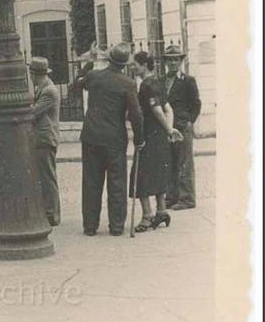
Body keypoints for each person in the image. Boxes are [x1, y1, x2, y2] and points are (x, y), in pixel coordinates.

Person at [73, 43, 144, 236]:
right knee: (117, 183)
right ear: (125, 64)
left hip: (91, 137)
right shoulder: (127, 83)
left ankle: (90, 226)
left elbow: (76, 83)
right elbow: (136, 114)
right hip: (114, 139)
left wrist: (89, 62)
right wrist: (139, 139)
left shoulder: (95, 77)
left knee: (91, 183)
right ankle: (116, 226)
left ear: (109, 59)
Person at [130, 51, 184, 232]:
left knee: (142, 174)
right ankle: (161, 211)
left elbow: (157, 110)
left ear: (144, 64)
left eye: (135, 64)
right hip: (159, 135)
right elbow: (169, 109)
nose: (132, 67)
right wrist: (169, 130)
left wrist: (169, 130)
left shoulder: (146, 85)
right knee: (159, 171)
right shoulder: (158, 82)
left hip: (148, 134)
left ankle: (147, 216)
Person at [162, 45, 202, 210]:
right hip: (168, 127)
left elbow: (196, 104)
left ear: (181, 61)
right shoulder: (163, 80)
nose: (172, 63)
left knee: (184, 163)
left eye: (176, 59)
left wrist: (189, 121)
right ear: (165, 62)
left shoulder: (188, 80)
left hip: (182, 126)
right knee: (169, 162)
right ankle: (171, 197)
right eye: (170, 59)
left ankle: (187, 199)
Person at [28, 57, 62, 227]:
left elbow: (34, 112)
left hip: (45, 138)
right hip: (43, 138)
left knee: (47, 177)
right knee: (46, 176)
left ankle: (52, 214)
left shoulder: (49, 91)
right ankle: (51, 211)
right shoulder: (42, 88)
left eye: (31, 73)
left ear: (35, 74)